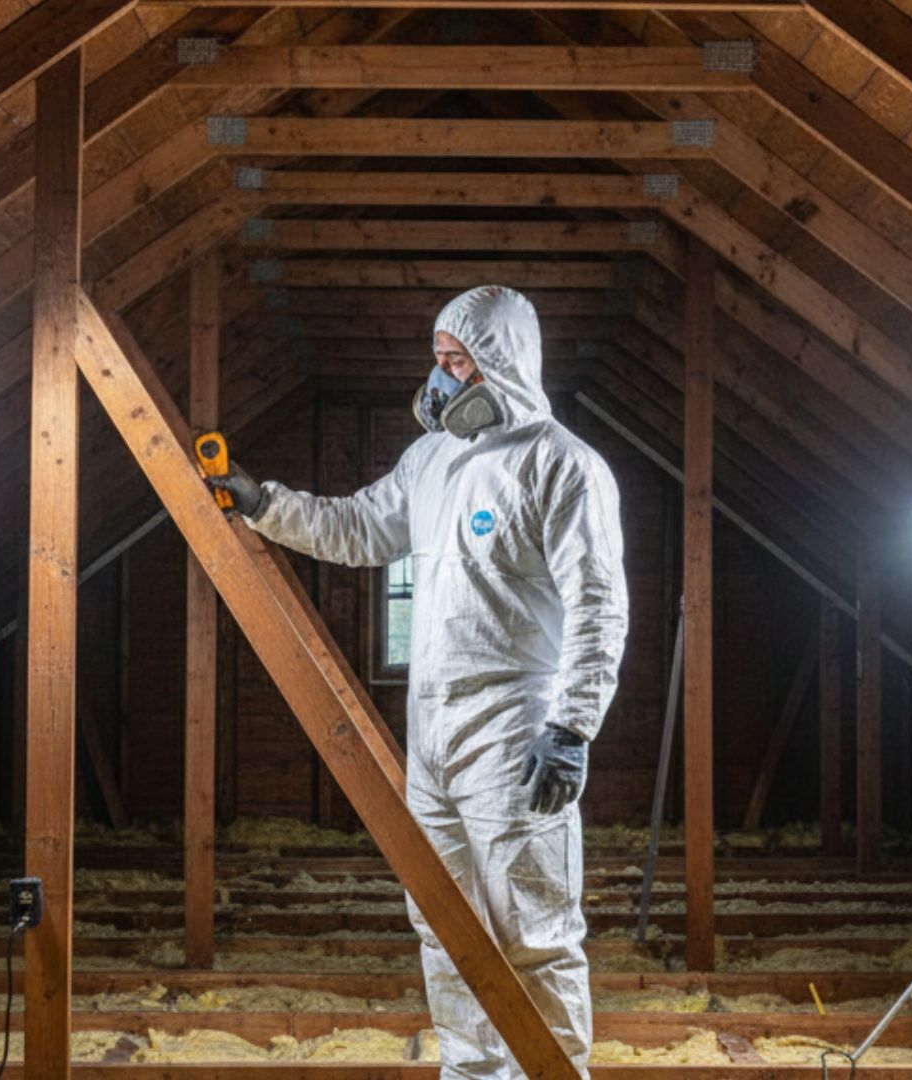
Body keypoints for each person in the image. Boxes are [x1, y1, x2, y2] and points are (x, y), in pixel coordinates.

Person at [208, 285, 628, 1076]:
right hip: (432, 736)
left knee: (532, 929)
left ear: (500, 364)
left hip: (516, 730)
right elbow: (362, 526)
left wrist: (571, 726)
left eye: (456, 360)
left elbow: (599, 605)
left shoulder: (562, 466)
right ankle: (471, 1073)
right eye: (436, 359)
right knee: (446, 924)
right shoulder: (433, 459)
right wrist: (265, 505)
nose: (439, 377)